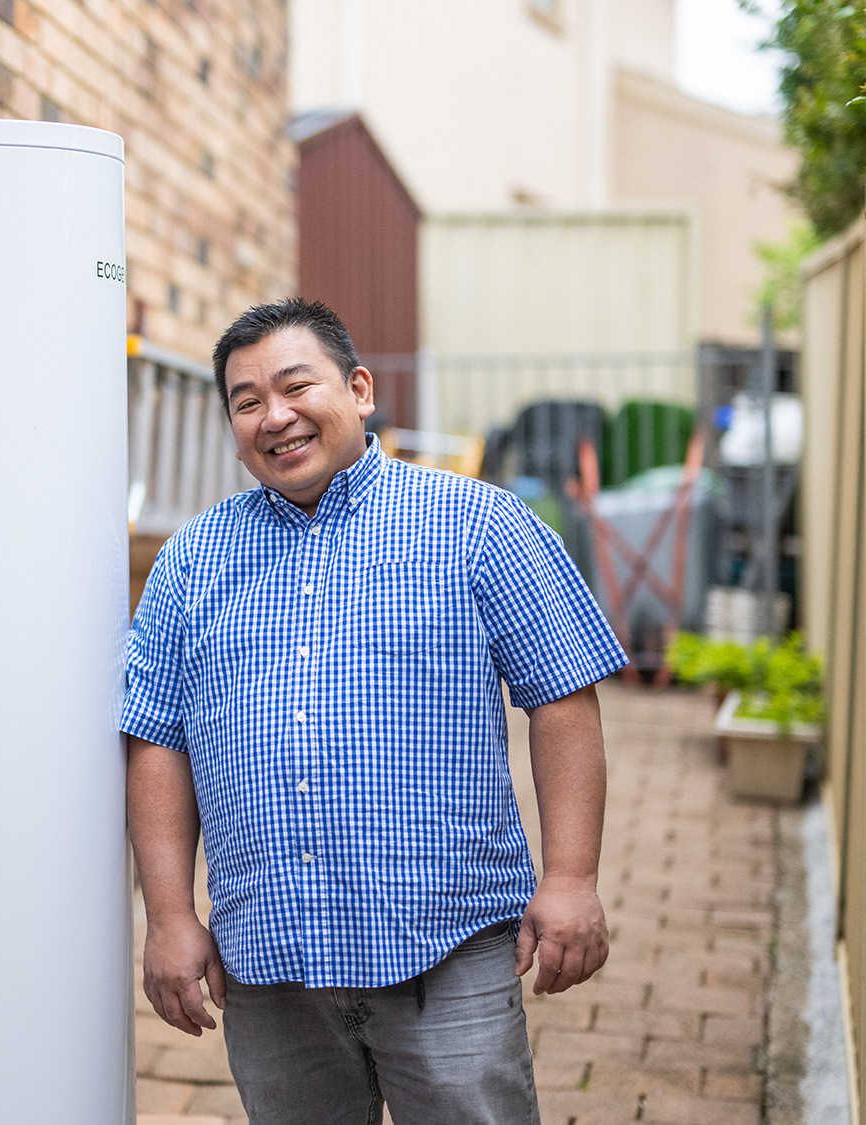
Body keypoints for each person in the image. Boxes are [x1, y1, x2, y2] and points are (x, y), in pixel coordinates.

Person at [121, 299, 627, 1124]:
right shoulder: (190, 562)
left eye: (295, 385)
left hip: (446, 949)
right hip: (270, 963)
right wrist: (170, 916)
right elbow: (157, 742)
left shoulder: (476, 524)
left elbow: (564, 695)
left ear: (357, 390)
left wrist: (571, 878)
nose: (274, 416)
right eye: (246, 401)